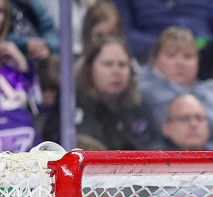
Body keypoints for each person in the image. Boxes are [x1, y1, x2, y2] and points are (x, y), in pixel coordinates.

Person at [138, 26, 213, 150]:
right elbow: (179, 126)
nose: (180, 62)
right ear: (154, 60)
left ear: (198, 61)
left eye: (188, 56)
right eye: (171, 56)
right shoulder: (147, 90)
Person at [43, 34, 157, 149]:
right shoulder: (72, 102)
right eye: (108, 64)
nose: (116, 71)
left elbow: (154, 148)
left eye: (122, 65)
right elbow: (84, 149)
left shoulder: (136, 106)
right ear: (89, 69)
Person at [113, 0, 213, 62]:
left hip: (206, 61)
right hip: (151, 64)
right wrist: (166, 47)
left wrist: (207, 45)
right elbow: (122, 35)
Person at [0, 0, 38, 152]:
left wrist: (21, 63)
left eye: (1, 11)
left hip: (22, 136)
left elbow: (34, 106)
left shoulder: (11, 58)